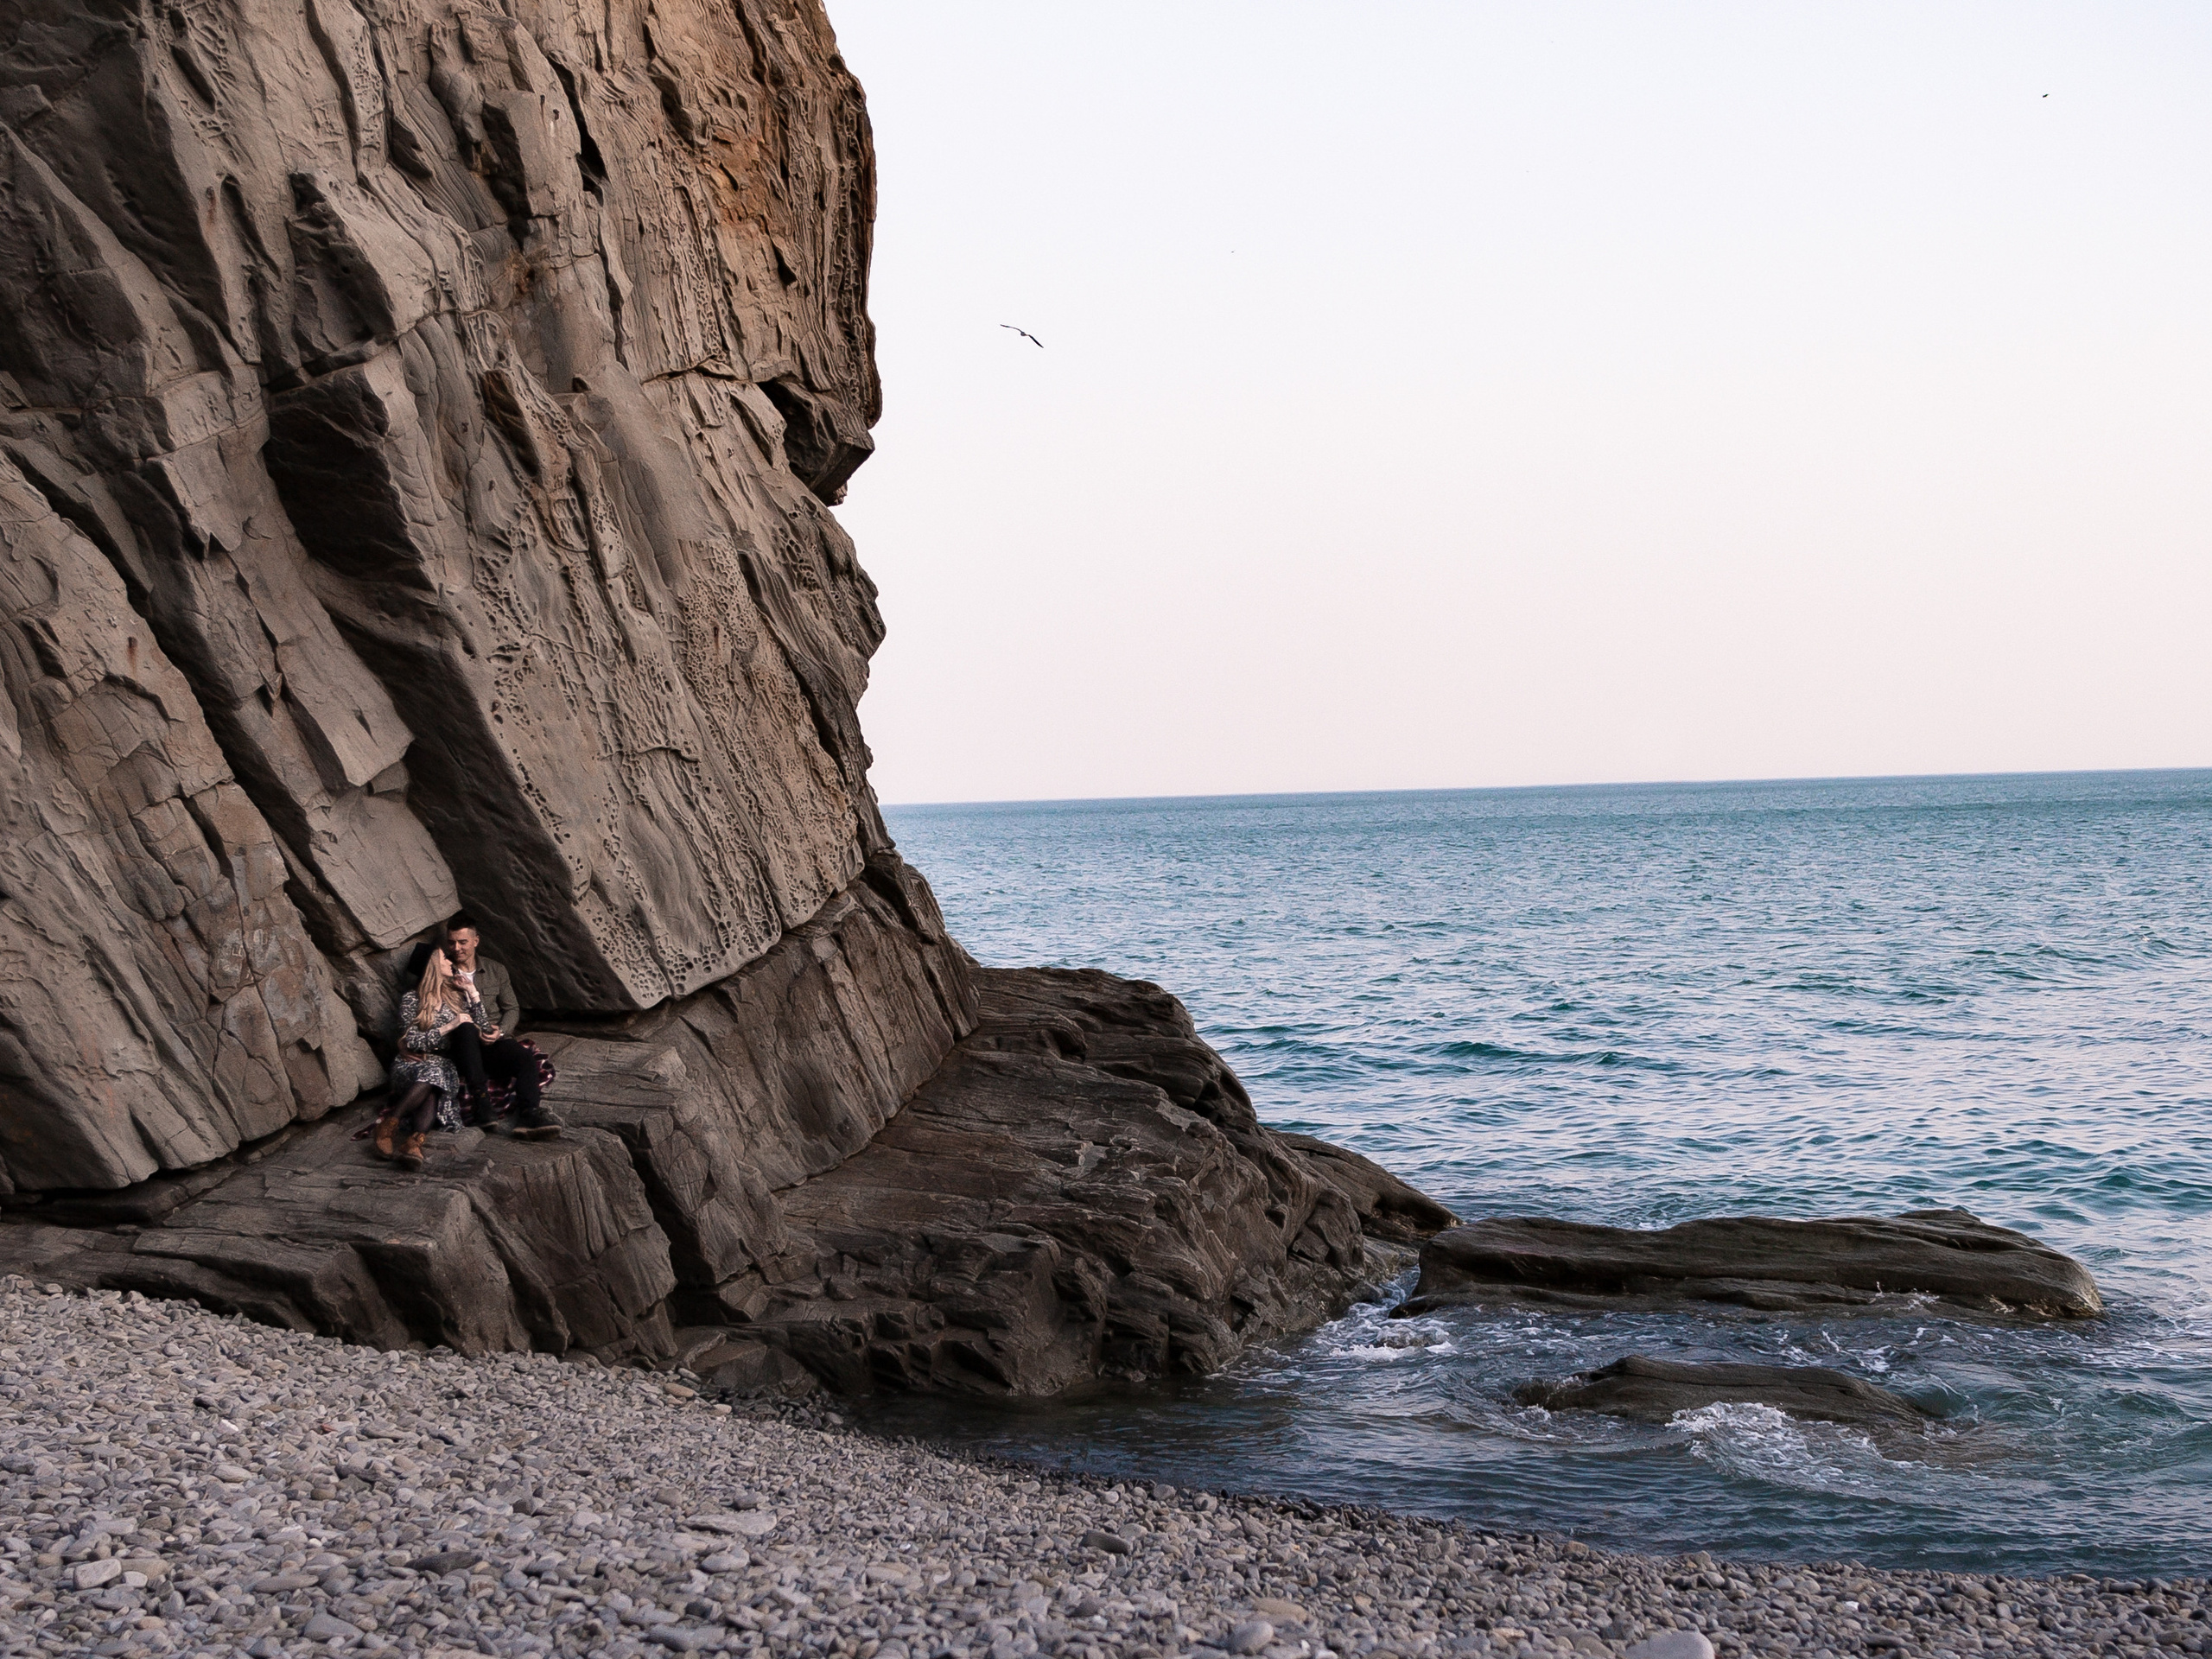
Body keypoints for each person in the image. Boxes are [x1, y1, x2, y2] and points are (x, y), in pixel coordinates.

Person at [372, 939, 485, 1171]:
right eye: (444, 957)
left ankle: (412, 1141)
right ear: (432, 965)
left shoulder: (457, 997)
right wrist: (447, 1027)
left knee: (435, 1081)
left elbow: (482, 1027)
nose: (450, 960)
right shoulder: (412, 1000)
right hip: (409, 1066)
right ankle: (393, 1127)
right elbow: (410, 1041)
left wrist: (472, 992)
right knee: (434, 1076)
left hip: (441, 1066)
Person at [444, 915, 562, 1139]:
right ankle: (482, 1107)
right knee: (466, 1029)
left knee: (525, 1059)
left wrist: (502, 1031)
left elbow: (512, 1009)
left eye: (463, 942)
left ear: (476, 941)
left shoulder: (495, 970)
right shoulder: (441, 970)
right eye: (451, 942)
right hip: (460, 1045)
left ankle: (528, 1115)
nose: (456, 948)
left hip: (492, 1041)